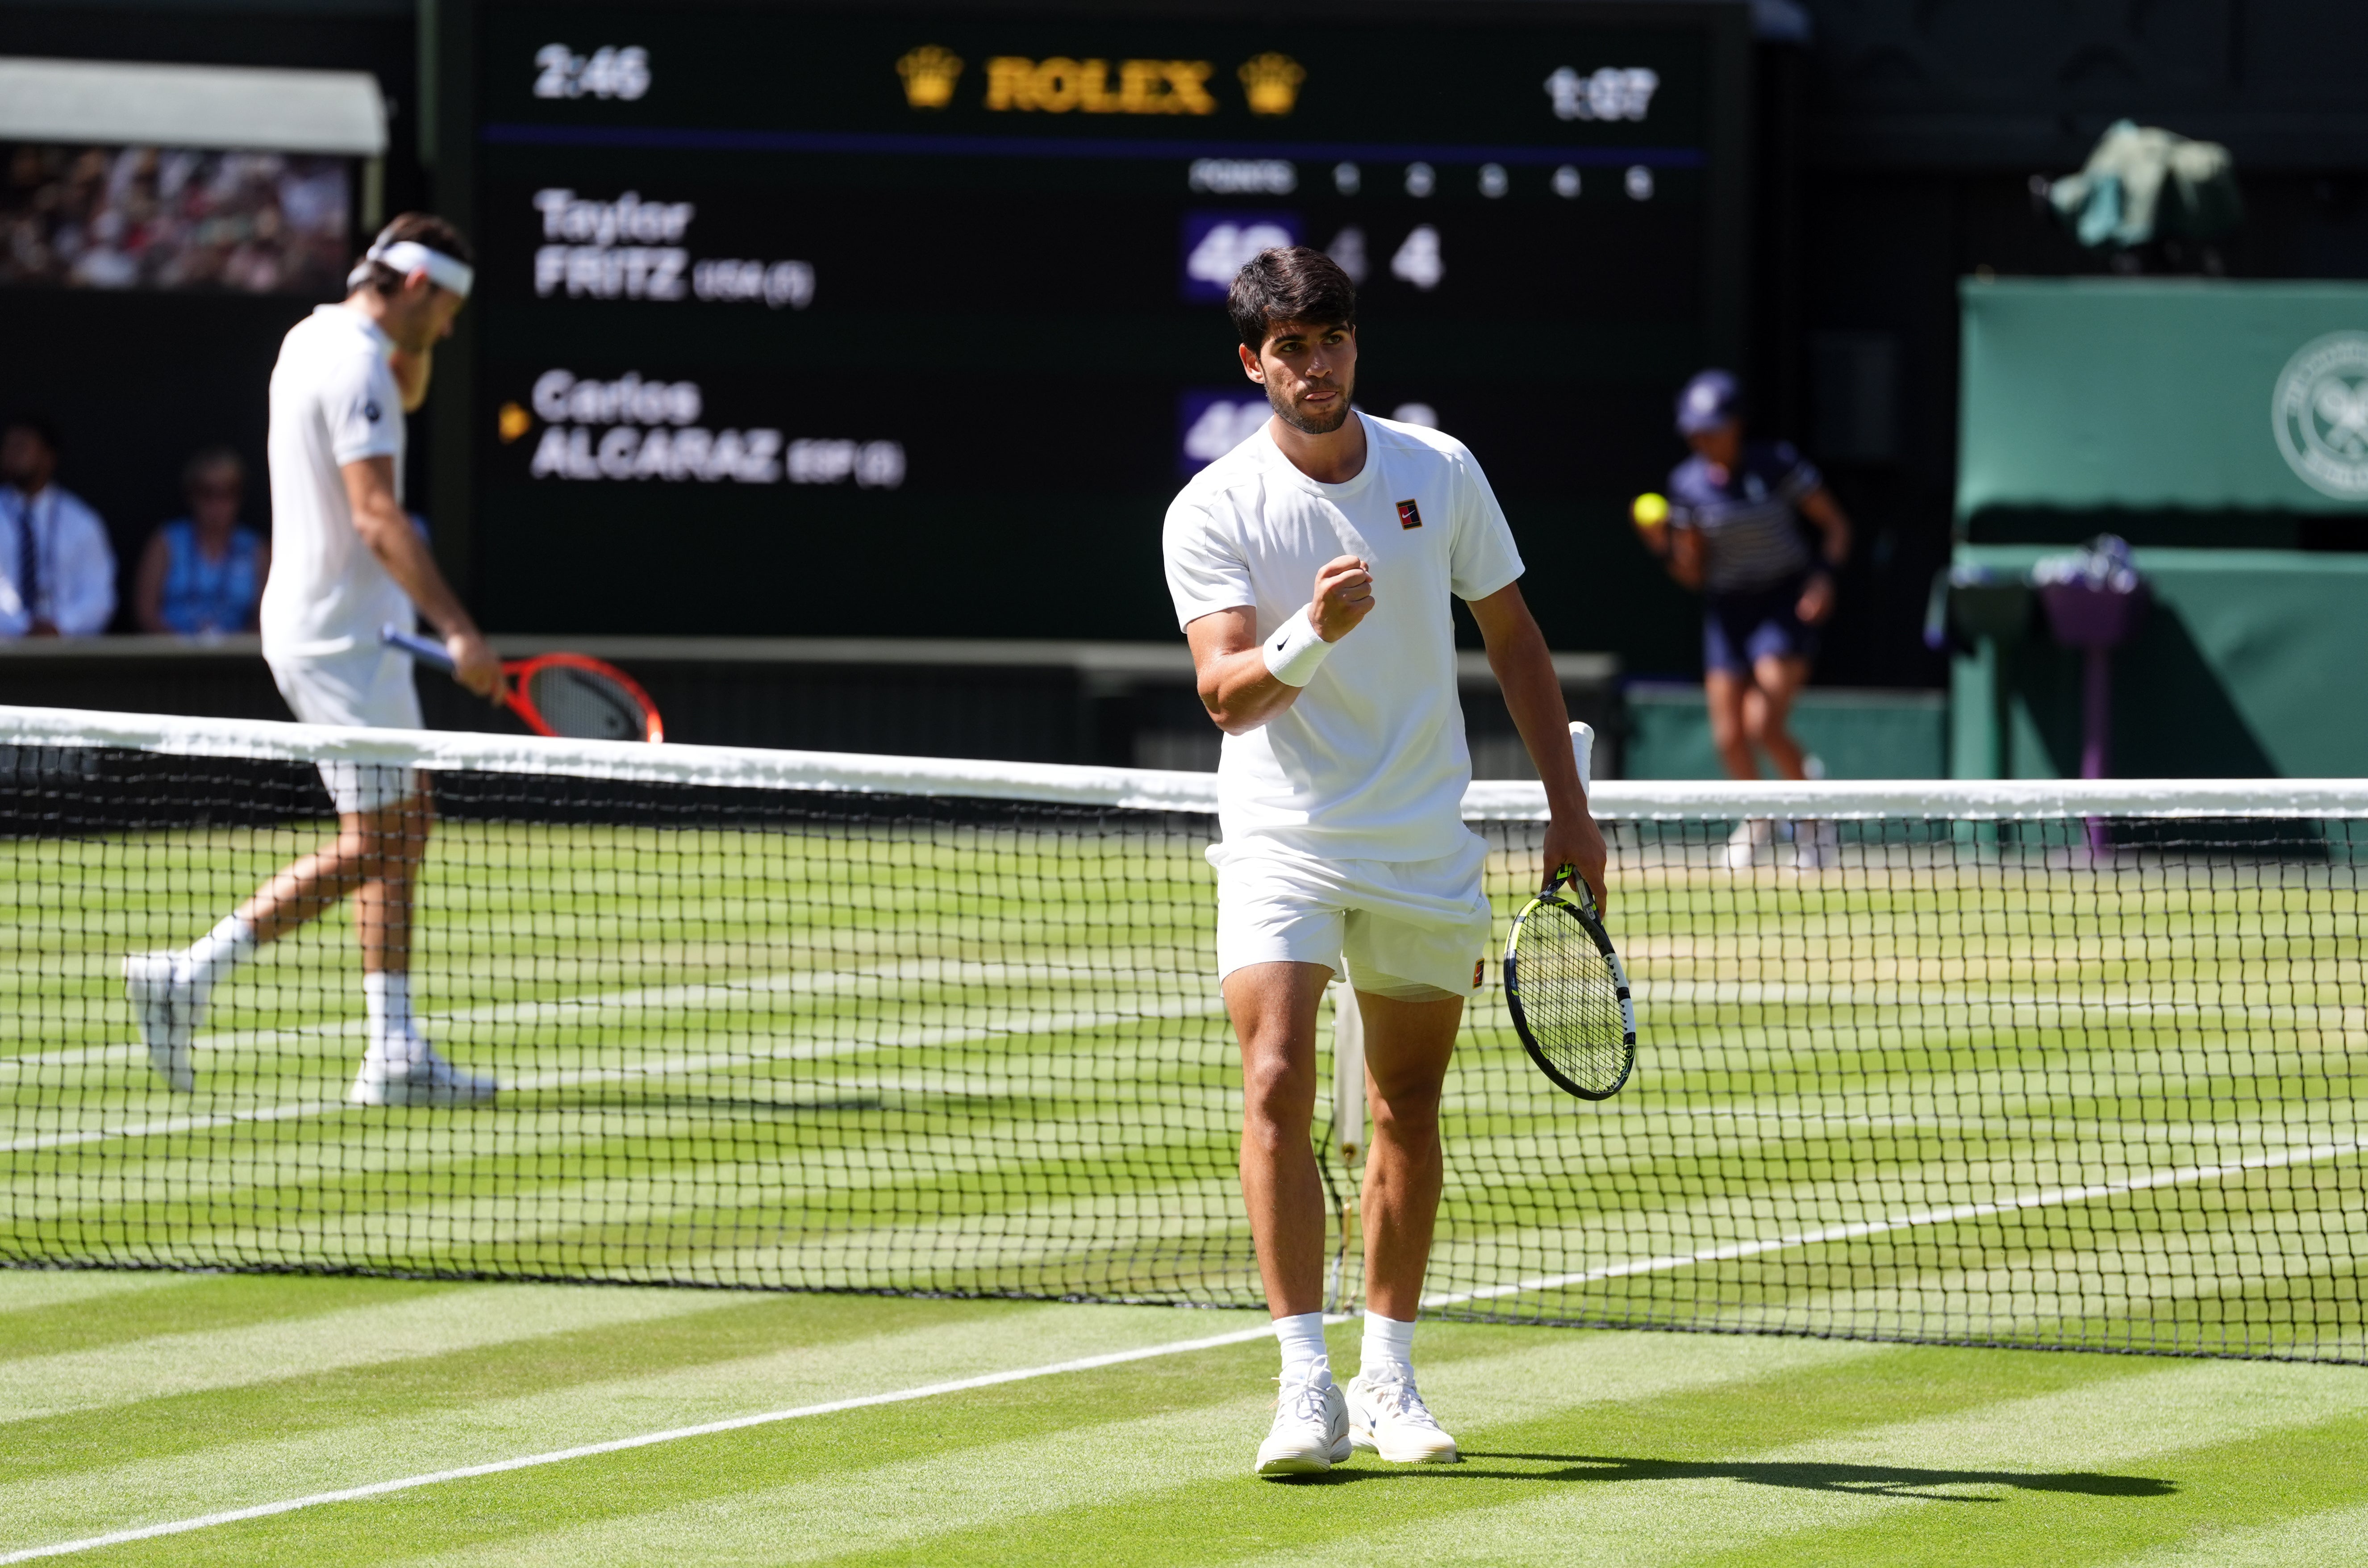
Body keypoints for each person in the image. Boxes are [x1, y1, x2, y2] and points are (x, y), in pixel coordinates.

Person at [1163, 247, 1604, 1478]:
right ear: (1254, 364)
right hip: (1283, 843)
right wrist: (1316, 630)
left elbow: (1514, 640)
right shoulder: (1212, 509)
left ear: (1357, 346)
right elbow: (1226, 696)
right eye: (1291, 348)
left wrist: (1569, 812)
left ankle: (1390, 1378)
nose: (1317, 365)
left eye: (1334, 340)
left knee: (1409, 1106)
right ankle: (1305, 1385)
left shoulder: (1440, 470)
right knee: (1274, 1083)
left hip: (1421, 840)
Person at [122, 214, 503, 1103]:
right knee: (382, 837)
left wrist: (417, 337)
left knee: (405, 830)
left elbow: (406, 393)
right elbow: (376, 516)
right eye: (445, 313)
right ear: (415, 287)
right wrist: (459, 631)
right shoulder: (359, 362)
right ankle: (189, 975)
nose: (447, 332)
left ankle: (395, 1048)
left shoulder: (314, 338)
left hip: (350, 632)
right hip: (340, 640)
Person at [1641, 370, 1852, 867]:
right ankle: (1760, 816)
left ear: (1736, 425)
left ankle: (1815, 819)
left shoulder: (1777, 466)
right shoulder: (1686, 486)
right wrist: (1664, 548)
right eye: (1694, 430)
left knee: (1763, 724)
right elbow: (1693, 574)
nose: (1702, 439)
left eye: (1711, 427)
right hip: (1728, 608)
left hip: (1784, 600)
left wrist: (1824, 580)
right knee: (1729, 737)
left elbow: (1837, 526)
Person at [0, 413, 117, 637]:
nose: (12, 454)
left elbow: (99, 597)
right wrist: (22, 628)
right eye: (8, 447)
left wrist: (60, 626)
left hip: (66, 654)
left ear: (48, 457)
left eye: (22, 447)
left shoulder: (81, 522)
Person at [133, 446, 270, 635]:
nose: (217, 503)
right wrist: (180, 650)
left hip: (237, 657)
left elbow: (268, 615)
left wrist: (235, 651)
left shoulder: (255, 548)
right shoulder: (166, 542)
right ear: (191, 495)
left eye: (228, 491)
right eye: (207, 492)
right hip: (171, 655)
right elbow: (145, 611)